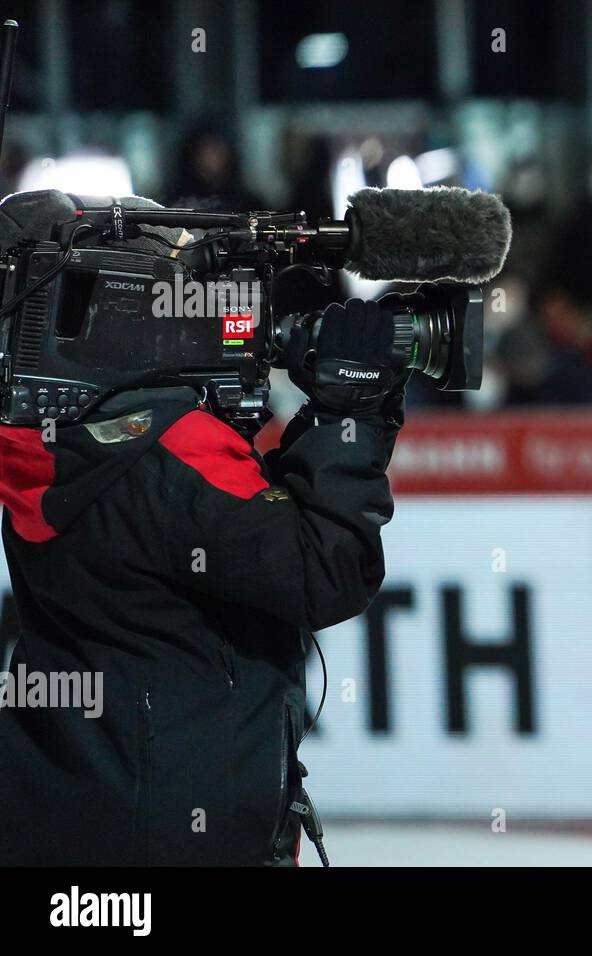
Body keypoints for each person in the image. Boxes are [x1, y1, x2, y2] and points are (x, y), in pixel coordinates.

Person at [0, 200, 409, 864]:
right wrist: (348, 411)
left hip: (65, 812)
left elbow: (231, 534)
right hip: (187, 829)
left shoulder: (48, 440)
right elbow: (325, 570)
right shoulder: (169, 449)